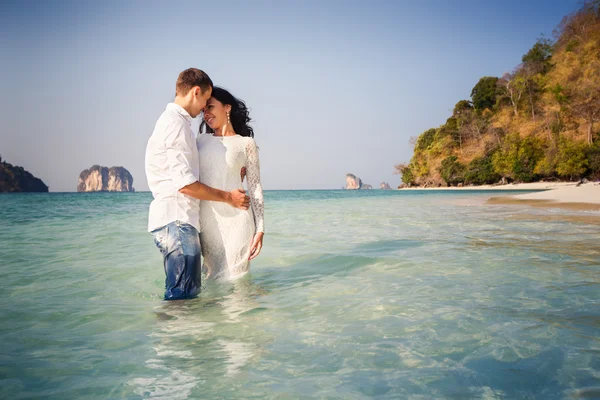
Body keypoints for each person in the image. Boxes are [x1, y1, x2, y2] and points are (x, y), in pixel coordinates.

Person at [145, 69, 249, 300]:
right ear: (195, 92)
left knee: (184, 295)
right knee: (183, 298)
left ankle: (179, 335)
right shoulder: (175, 124)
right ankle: (176, 335)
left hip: (178, 221)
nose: (204, 108)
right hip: (177, 220)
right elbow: (185, 184)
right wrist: (228, 197)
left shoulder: (175, 123)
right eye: (205, 100)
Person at [197, 87, 264, 280]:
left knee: (237, 281)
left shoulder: (246, 143)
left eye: (210, 107)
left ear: (227, 108)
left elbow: (255, 187)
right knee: (212, 281)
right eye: (203, 110)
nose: (206, 114)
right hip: (209, 222)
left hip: (238, 220)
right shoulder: (200, 141)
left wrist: (260, 229)